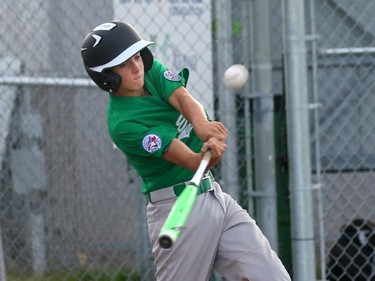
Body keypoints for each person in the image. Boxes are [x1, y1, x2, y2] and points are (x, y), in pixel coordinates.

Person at [81, 20, 291, 281]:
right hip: (177, 210)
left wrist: (202, 125)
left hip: (214, 197)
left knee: (271, 276)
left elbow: (181, 97)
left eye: (136, 57)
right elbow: (191, 161)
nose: (136, 67)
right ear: (106, 77)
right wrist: (208, 155)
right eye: (124, 64)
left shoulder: (150, 72)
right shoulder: (123, 123)